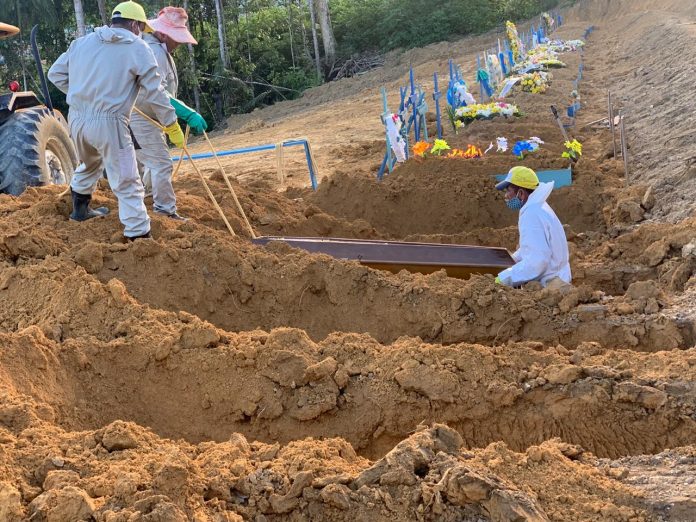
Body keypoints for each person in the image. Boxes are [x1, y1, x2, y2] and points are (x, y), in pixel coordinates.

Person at [48, 0, 185, 240]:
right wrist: (171, 124)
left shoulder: (82, 43)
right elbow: (156, 92)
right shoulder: (137, 47)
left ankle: (79, 210)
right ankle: (138, 234)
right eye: (141, 28)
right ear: (134, 24)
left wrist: (82, 94)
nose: (141, 33)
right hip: (111, 125)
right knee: (127, 178)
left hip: (78, 119)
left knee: (90, 163)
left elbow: (55, 73)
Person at [131, 6, 207, 221]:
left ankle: (149, 198)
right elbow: (156, 91)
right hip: (141, 115)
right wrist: (187, 113)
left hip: (151, 115)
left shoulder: (157, 48)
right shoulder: (153, 51)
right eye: (177, 38)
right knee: (161, 163)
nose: (179, 43)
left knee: (150, 162)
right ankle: (165, 211)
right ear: (163, 33)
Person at [494, 166, 571, 288]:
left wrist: (504, 278)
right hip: (557, 277)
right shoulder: (537, 207)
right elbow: (531, 248)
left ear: (521, 193)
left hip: (551, 285)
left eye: (508, 191)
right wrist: (512, 259)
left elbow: (537, 262)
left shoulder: (532, 215)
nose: (506, 196)